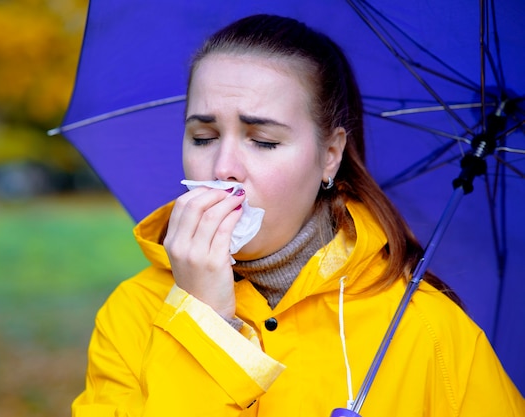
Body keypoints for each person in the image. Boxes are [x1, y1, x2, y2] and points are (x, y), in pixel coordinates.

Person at [72, 14, 524, 416]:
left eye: (263, 141)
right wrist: (203, 323)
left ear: (330, 156)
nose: (224, 167)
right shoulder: (132, 315)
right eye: (204, 136)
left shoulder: (429, 332)